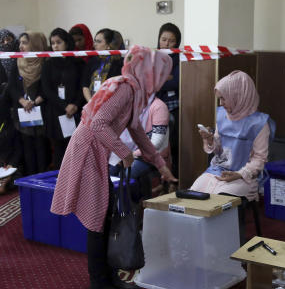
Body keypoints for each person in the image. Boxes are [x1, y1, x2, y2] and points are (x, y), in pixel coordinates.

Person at [50, 46, 176, 289]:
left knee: (104, 216)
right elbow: (97, 124)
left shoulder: (132, 88)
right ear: (148, 71)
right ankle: (99, 284)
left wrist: (160, 165)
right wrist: (123, 152)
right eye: (160, 73)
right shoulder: (125, 87)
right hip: (88, 151)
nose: (163, 79)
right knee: (98, 219)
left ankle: (110, 277)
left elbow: (137, 131)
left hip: (97, 151)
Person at [190, 70, 274, 202]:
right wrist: (210, 140)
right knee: (193, 195)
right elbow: (219, 151)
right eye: (220, 99)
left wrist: (239, 174)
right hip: (217, 171)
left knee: (216, 202)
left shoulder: (259, 124)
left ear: (238, 96)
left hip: (244, 177)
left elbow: (260, 159)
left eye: (224, 98)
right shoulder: (223, 115)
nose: (220, 104)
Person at [109, 92, 171, 200]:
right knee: (110, 172)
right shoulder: (131, 106)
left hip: (152, 156)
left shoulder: (159, 107)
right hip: (131, 152)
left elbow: (156, 143)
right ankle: (113, 211)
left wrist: (131, 154)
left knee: (126, 175)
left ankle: (131, 209)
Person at [8, 32, 49, 176]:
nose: (21, 46)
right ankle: (31, 179)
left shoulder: (45, 61)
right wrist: (23, 101)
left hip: (41, 109)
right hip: (23, 110)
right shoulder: (18, 61)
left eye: (25, 42)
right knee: (27, 146)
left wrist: (35, 102)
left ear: (35, 44)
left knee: (41, 145)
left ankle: (43, 178)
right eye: (20, 42)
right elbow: (11, 86)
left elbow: (48, 86)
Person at [42, 28, 83, 169]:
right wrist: (63, 106)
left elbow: (81, 87)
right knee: (59, 151)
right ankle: (60, 184)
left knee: (75, 148)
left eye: (58, 42)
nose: (55, 46)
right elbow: (47, 89)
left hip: (74, 111)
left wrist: (75, 105)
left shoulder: (78, 63)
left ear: (67, 43)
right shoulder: (48, 64)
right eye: (52, 43)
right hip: (55, 111)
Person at [156, 23, 181, 175]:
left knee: (173, 143)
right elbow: (148, 81)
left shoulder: (179, 58)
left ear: (177, 42)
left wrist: (159, 80)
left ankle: (174, 177)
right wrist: (165, 78)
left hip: (173, 106)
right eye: (163, 39)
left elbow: (176, 82)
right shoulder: (153, 57)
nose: (166, 44)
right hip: (153, 105)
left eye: (171, 41)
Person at [82, 28, 123, 103]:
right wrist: (91, 103)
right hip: (90, 104)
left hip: (109, 104)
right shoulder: (92, 61)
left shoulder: (118, 63)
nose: (95, 44)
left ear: (108, 45)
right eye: (95, 41)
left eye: (99, 41)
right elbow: (85, 86)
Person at [0, 29, 18, 97]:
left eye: (8, 39)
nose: (6, 43)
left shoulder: (22, 53)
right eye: (2, 41)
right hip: (8, 94)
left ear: (13, 38)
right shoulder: (0, 59)